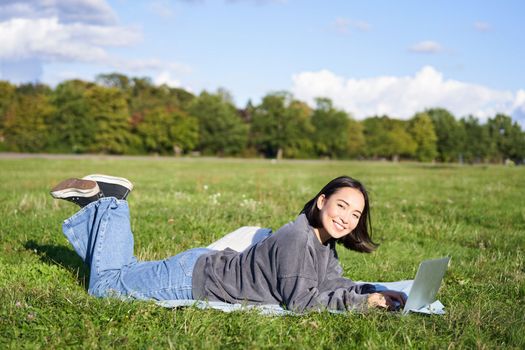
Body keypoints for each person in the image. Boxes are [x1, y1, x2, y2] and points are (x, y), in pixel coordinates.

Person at [50, 174, 406, 313]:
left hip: (203, 268)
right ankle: (111, 201)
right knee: (106, 287)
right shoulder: (298, 239)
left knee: (120, 275)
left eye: (355, 214)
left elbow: (330, 284)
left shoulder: (322, 242)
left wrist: (372, 291)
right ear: (321, 201)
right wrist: (364, 305)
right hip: (196, 279)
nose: (346, 218)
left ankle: (100, 203)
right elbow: (303, 302)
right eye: (341, 205)